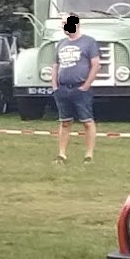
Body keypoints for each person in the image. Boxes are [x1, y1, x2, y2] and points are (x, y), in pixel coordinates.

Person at [50, 13, 100, 165]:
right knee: (65, 122)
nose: (63, 26)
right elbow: (55, 66)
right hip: (63, 89)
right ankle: (62, 155)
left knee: (87, 122)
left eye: (65, 23)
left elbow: (96, 65)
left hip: (81, 89)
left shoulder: (89, 42)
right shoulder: (61, 44)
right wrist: (55, 86)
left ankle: (88, 156)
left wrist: (86, 85)